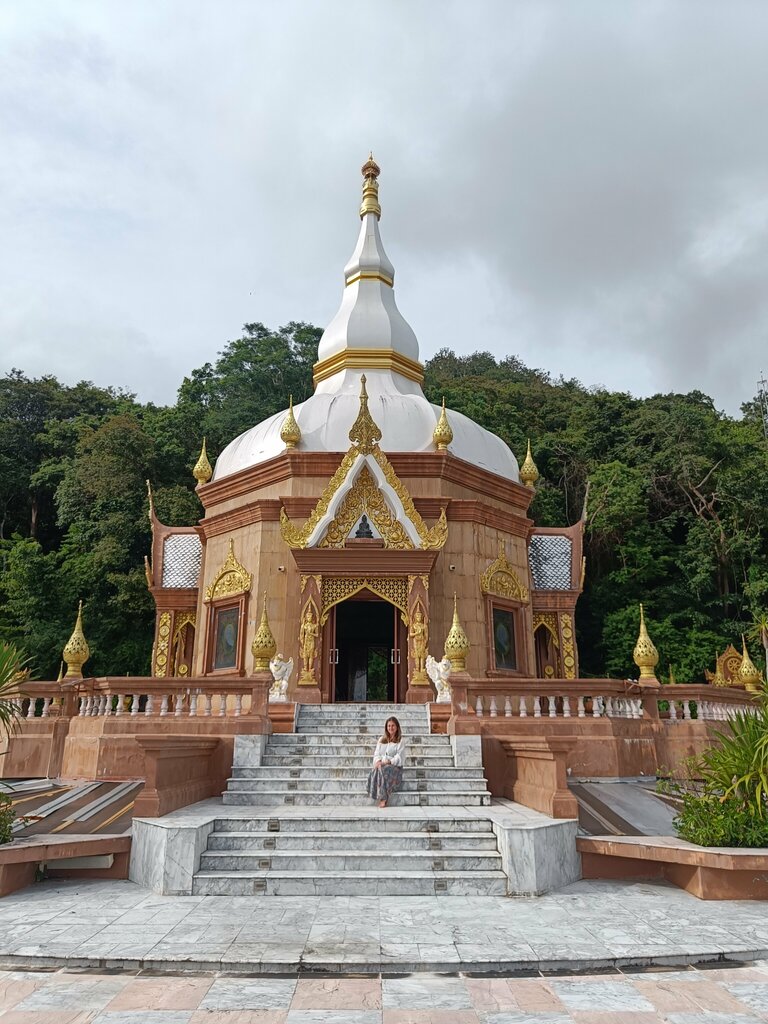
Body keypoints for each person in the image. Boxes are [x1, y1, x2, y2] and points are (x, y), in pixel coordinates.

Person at [367, 716, 406, 808]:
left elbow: (399, 757)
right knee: (378, 769)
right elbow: (377, 753)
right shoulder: (381, 740)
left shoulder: (400, 741)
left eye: (393, 726)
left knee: (384, 769)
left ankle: (383, 798)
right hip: (382, 765)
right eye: (389, 726)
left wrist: (388, 762)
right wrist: (378, 761)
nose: (390, 728)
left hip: (395, 768)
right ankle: (379, 795)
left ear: (397, 727)